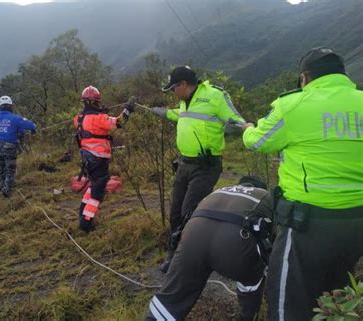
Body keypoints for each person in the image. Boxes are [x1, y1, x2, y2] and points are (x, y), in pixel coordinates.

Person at [242, 47, 363, 321]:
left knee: (288, 299)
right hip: (357, 222)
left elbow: (257, 142)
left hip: (307, 224)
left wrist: (248, 128)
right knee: (338, 291)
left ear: (304, 78)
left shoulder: (292, 105)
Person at [150, 65, 246, 272]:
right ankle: (174, 256)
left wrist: (249, 129)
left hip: (206, 166)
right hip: (184, 164)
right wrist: (158, 111)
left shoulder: (215, 96)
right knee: (175, 213)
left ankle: (189, 259)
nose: (172, 93)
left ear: (183, 84)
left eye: (173, 88)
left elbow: (235, 119)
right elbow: (178, 115)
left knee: (189, 213)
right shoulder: (184, 102)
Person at [145, 176, 274, 321]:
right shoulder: (266, 196)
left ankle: (155, 317)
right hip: (235, 244)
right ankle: (248, 316)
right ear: (262, 187)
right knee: (253, 275)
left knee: (173, 295)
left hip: (194, 236)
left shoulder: (220, 191)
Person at [74, 85, 135, 232]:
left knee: (93, 183)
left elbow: (93, 124)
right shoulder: (100, 118)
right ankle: (87, 222)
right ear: (97, 101)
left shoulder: (78, 118)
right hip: (99, 158)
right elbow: (119, 123)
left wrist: (102, 114)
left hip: (86, 158)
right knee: (98, 191)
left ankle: (83, 211)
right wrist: (127, 109)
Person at [0, 95, 37, 197]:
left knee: (1, 168)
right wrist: (33, 130)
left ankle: (3, 186)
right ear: (10, 106)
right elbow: (31, 125)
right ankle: (7, 190)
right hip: (10, 146)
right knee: (10, 169)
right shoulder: (15, 118)